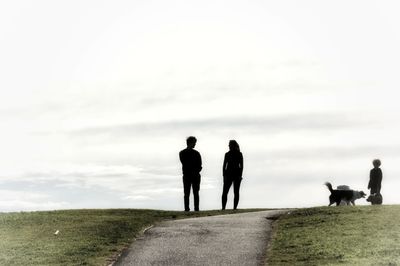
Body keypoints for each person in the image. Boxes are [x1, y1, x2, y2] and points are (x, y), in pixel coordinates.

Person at [179, 136, 202, 211]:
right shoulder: (196, 153)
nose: (195, 144)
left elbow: (185, 163)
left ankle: (188, 208)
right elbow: (199, 165)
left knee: (189, 193)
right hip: (191, 175)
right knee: (193, 193)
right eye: (194, 143)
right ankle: (195, 208)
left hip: (188, 175)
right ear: (190, 143)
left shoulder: (182, 153)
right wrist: (196, 171)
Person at [221, 140, 243, 210]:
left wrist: (240, 175)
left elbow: (241, 166)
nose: (229, 146)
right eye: (229, 145)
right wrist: (224, 175)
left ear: (233, 145)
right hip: (229, 175)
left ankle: (233, 208)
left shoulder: (239, 154)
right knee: (226, 192)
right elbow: (224, 166)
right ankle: (224, 208)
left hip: (234, 175)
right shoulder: (228, 154)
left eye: (230, 145)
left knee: (234, 192)